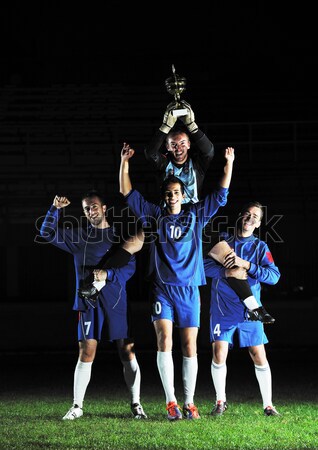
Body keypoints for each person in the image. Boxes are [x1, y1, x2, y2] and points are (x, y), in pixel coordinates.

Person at [119, 141, 235, 421]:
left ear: (183, 196)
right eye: (169, 193)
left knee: (190, 346)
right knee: (164, 341)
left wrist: (229, 164)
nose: (172, 197)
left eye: (176, 193)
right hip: (162, 289)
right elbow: (127, 192)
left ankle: (189, 402)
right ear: (164, 197)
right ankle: (171, 402)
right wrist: (124, 163)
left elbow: (220, 195)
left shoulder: (195, 215)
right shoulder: (155, 215)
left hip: (189, 290)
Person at [39, 190, 147, 420]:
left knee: (126, 351)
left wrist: (107, 274)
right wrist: (55, 210)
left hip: (117, 302)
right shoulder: (78, 237)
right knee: (86, 351)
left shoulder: (120, 237)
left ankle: (136, 404)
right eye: (87, 208)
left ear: (104, 208)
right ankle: (77, 406)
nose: (91, 211)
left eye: (94, 206)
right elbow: (46, 232)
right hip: (89, 303)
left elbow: (130, 268)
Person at [203, 201, 281, 417]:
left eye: (255, 217)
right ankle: (220, 401)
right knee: (219, 353)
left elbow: (274, 276)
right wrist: (224, 272)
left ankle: (268, 405)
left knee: (258, 354)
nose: (250, 218)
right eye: (247, 214)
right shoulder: (222, 240)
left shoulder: (260, 247)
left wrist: (246, 265)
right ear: (240, 216)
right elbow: (202, 266)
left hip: (250, 312)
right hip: (223, 308)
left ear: (258, 224)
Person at [144, 100, 214, 204]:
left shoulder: (197, 164)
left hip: (192, 212)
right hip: (167, 213)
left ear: (189, 144)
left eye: (182, 143)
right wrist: (165, 126)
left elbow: (209, 151)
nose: (179, 148)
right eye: (174, 145)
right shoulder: (163, 163)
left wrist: (192, 126)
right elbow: (150, 153)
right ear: (167, 147)